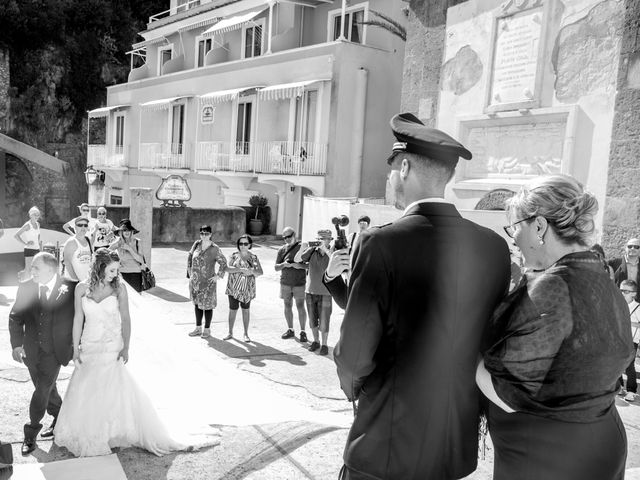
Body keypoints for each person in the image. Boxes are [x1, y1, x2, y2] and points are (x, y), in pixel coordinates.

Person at [323, 113, 511, 480]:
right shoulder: (493, 247)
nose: (390, 177)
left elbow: (354, 354)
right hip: (451, 450)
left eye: (392, 169)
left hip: (385, 447)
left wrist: (356, 391)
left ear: (405, 166)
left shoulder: (380, 242)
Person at [477, 175, 633, 480]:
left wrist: (465, 349)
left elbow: (506, 393)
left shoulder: (553, 286)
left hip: (549, 456)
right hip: (600, 440)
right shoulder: (599, 274)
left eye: (516, 228)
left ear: (538, 226)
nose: (514, 239)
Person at [54, 249, 186, 456]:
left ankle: (111, 431)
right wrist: (75, 348)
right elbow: (78, 319)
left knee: (111, 387)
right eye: (112, 269)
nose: (115, 273)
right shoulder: (80, 288)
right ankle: (90, 429)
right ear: (100, 266)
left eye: (117, 270)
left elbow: (126, 318)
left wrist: (126, 346)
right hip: (89, 344)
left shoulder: (119, 289)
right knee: (88, 387)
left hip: (112, 344)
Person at [8, 252, 76, 455]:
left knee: (42, 388)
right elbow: (16, 316)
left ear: (50, 269)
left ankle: (30, 433)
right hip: (31, 350)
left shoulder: (71, 287)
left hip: (56, 351)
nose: (32, 271)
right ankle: (60, 417)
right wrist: (16, 344)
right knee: (46, 387)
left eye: (36, 267)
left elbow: (80, 317)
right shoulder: (27, 286)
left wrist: (77, 344)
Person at [187, 225, 227, 338]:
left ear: (211, 234)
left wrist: (218, 276)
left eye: (207, 233)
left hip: (208, 283)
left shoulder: (215, 248)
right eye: (202, 233)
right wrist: (190, 274)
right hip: (195, 283)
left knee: (207, 306)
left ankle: (207, 329)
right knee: (197, 305)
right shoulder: (196, 245)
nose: (204, 235)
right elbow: (190, 258)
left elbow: (223, 263)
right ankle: (198, 328)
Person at [300, 229, 334, 355]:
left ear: (329, 240)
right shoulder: (312, 251)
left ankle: (324, 344)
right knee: (312, 319)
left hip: (326, 292)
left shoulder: (332, 252)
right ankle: (316, 341)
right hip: (310, 291)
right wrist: (310, 247)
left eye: (323, 238)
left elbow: (334, 261)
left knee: (324, 320)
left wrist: (325, 250)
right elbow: (302, 258)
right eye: (319, 238)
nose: (320, 241)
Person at [224, 235, 263, 342]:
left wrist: (251, 271)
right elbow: (227, 268)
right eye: (241, 244)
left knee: (246, 311)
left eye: (245, 244)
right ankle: (230, 332)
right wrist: (240, 269)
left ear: (249, 245)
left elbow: (260, 272)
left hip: (247, 289)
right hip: (233, 287)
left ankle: (246, 334)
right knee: (232, 310)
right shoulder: (233, 256)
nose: (243, 246)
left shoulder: (253, 257)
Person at [275, 227, 308, 342]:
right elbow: (276, 267)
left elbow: (309, 265)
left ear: (294, 235)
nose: (287, 239)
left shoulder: (303, 248)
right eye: (284, 237)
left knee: (300, 306)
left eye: (289, 236)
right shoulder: (282, 250)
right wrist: (284, 264)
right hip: (285, 283)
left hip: (299, 283)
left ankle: (303, 331)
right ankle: (290, 329)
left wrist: (300, 266)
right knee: (287, 306)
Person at [109, 219, 145, 292]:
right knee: (122, 299)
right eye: (124, 230)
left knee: (136, 300)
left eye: (128, 230)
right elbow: (106, 253)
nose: (126, 232)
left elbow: (141, 260)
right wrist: (116, 263)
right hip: (122, 274)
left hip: (136, 274)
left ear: (131, 231)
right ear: (121, 232)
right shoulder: (118, 243)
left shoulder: (137, 242)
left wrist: (130, 249)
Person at [619, 279, 640, 402]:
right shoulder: (617, 305)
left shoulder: (637, 308)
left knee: (629, 366)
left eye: (626, 291)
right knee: (617, 364)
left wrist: (628, 323)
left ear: (634, 293)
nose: (622, 293)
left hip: (631, 341)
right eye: (620, 290)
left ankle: (632, 391)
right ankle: (620, 387)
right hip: (618, 340)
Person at [62, 217, 93, 283]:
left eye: (85, 225)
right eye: (80, 225)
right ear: (75, 227)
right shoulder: (71, 242)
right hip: (73, 283)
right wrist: (76, 281)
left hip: (86, 282)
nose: (83, 227)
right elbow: (67, 263)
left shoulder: (88, 240)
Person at [14, 207, 42, 273]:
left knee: (36, 270)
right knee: (29, 270)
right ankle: (22, 280)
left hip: (37, 250)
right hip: (29, 250)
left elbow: (38, 236)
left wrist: (40, 247)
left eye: (38, 214)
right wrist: (26, 244)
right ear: (31, 215)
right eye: (35, 214)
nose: (37, 216)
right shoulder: (27, 225)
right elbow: (16, 235)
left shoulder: (38, 224)